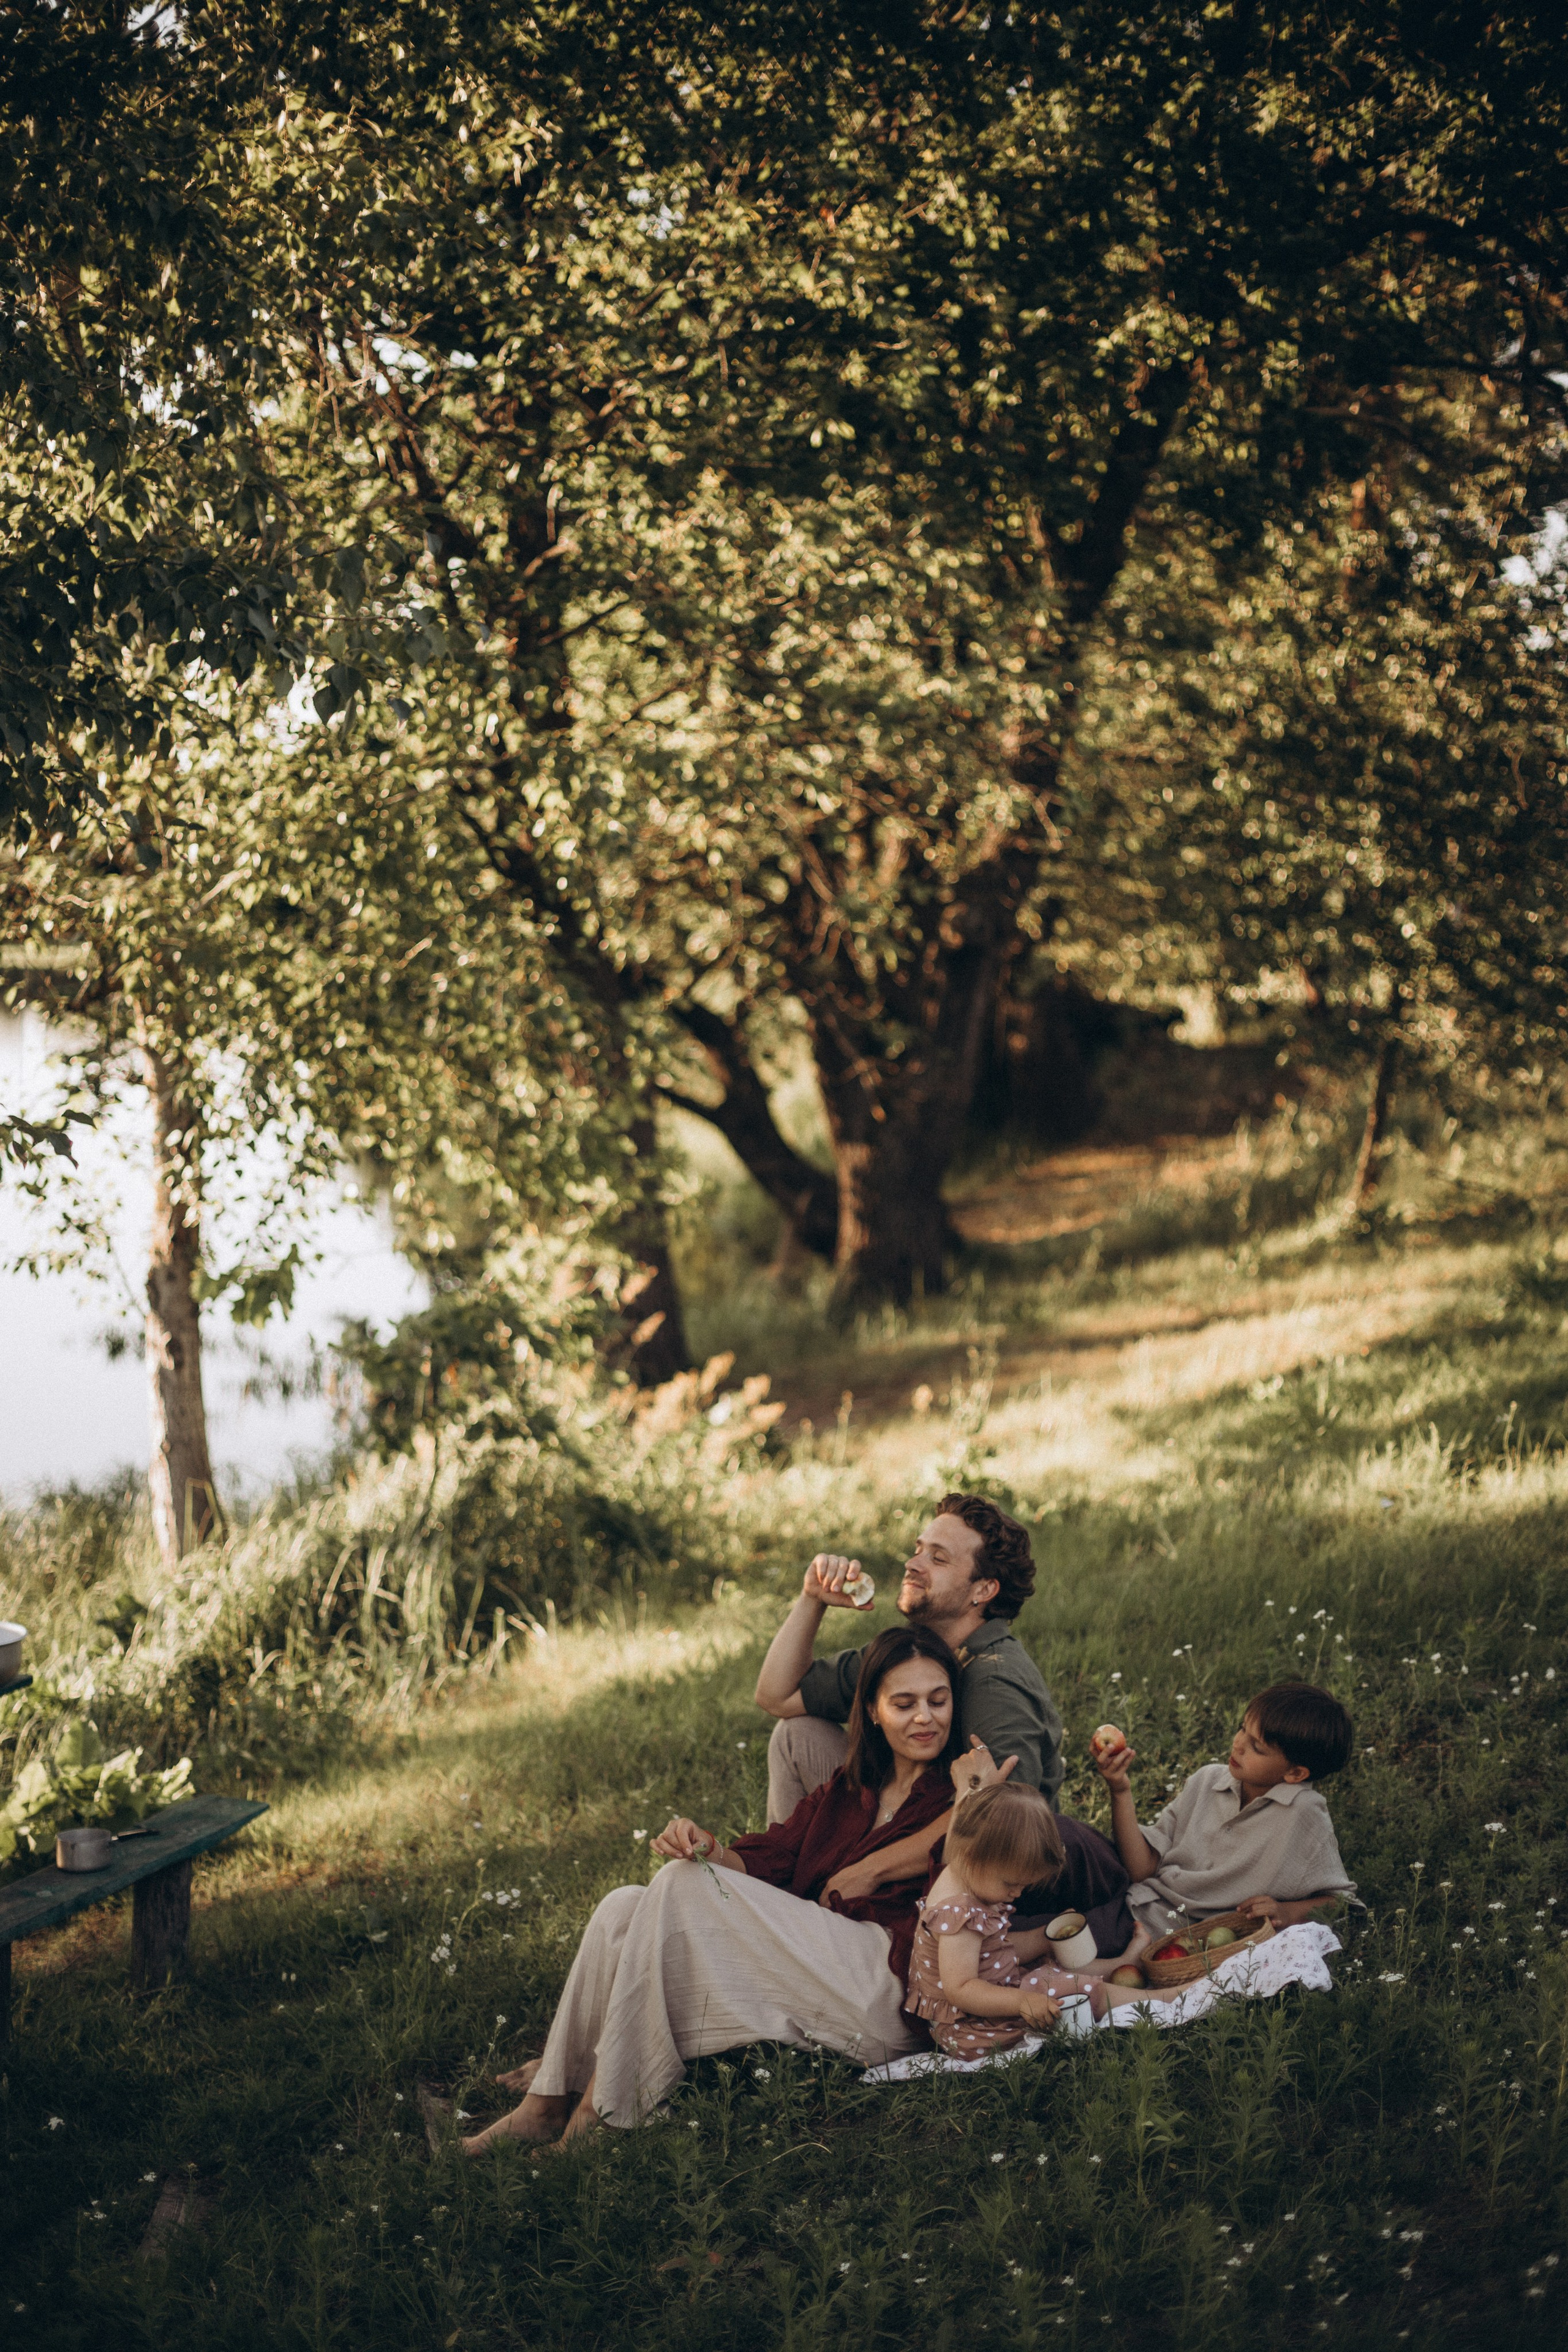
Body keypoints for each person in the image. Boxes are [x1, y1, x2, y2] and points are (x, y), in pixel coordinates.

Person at [462, 1627, 965, 2151]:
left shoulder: (961, 1793)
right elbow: (776, 1855)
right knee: (622, 1908)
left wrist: (973, 1788)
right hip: (825, 1966)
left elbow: (994, 1839)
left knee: (681, 1886)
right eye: (905, 1704)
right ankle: (545, 2104)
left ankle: (602, 2114)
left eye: (938, 1700)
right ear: (875, 1712)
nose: (926, 1717)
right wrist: (709, 1849)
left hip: (887, 1989)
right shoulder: (851, 1787)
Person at [756, 1493, 1064, 1846]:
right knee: (796, 1735)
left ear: (983, 1589)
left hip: (965, 1859)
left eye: (938, 1558)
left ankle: (822, 1888)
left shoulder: (994, 1680)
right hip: (903, 1811)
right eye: (919, 1550)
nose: (913, 1564)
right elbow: (777, 1696)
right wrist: (813, 1599)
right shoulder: (913, 1654)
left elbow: (1008, 1827)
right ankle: (790, 1875)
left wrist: (870, 1870)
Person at [906, 1782, 1172, 2058]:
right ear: (973, 1857)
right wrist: (1023, 2001)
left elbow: (991, 1952)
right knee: (1064, 1989)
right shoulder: (958, 1912)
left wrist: (1044, 1937)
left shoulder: (967, 1878)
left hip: (987, 2001)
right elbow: (961, 1990)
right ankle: (1164, 2001)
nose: (1017, 1893)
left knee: (1048, 1965)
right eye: (1011, 1883)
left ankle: (1120, 1967)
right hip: (972, 2028)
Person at [1091, 1680, 1359, 1943]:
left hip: (1180, 1937)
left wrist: (1287, 1911)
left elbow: (1342, 1903)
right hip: (1137, 1905)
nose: (1238, 1744)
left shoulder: (1303, 1813)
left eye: (1256, 1747)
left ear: (1295, 1773)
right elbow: (1142, 1869)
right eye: (1242, 1729)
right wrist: (1120, 1791)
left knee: (1066, 1936)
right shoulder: (1207, 1780)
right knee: (1073, 1843)